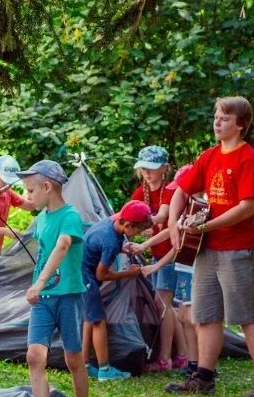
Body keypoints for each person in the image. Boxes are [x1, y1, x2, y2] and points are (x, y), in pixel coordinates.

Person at [166, 96, 254, 397]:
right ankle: (203, 378)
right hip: (205, 249)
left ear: (240, 125)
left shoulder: (249, 160)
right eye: (216, 116)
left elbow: (246, 207)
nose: (217, 122)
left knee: (246, 316)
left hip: (237, 249)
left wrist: (206, 226)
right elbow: (181, 191)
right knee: (205, 315)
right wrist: (174, 223)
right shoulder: (209, 156)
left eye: (225, 118)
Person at [14, 160, 92, 397]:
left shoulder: (70, 216)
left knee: (74, 359)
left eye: (31, 190)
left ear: (47, 187)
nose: (28, 196)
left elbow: (62, 246)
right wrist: (38, 284)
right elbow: (43, 253)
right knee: (35, 356)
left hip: (68, 297)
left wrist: (40, 282)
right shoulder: (41, 218)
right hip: (44, 301)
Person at [129, 165, 200, 375]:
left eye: (180, 188)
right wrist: (143, 245)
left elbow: (179, 244)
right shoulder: (187, 208)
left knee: (187, 314)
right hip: (178, 261)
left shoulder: (197, 208)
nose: (176, 191)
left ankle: (188, 362)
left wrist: (157, 265)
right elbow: (172, 230)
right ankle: (189, 360)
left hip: (187, 263)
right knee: (182, 313)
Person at [82, 200, 152, 381]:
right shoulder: (111, 240)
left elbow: (99, 246)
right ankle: (105, 370)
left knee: (90, 319)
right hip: (86, 278)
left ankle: (84, 365)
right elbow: (101, 275)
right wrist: (128, 273)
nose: (136, 236)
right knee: (98, 321)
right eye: (136, 231)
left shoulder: (111, 222)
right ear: (127, 224)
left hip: (79, 272)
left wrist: (123, 248)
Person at [130, 146, 182, 372]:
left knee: (163, 303)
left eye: (151, 168)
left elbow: (162, 216)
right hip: (156, 253)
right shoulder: (141, 192)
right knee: (165, 305)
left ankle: (164, 358)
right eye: (143, 168)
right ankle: (182, 354)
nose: (147, 173)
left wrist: (145, 228)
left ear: (164, 168)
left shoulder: (171, 190)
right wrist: (141, 230)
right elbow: (131, 216)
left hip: (173, 252)